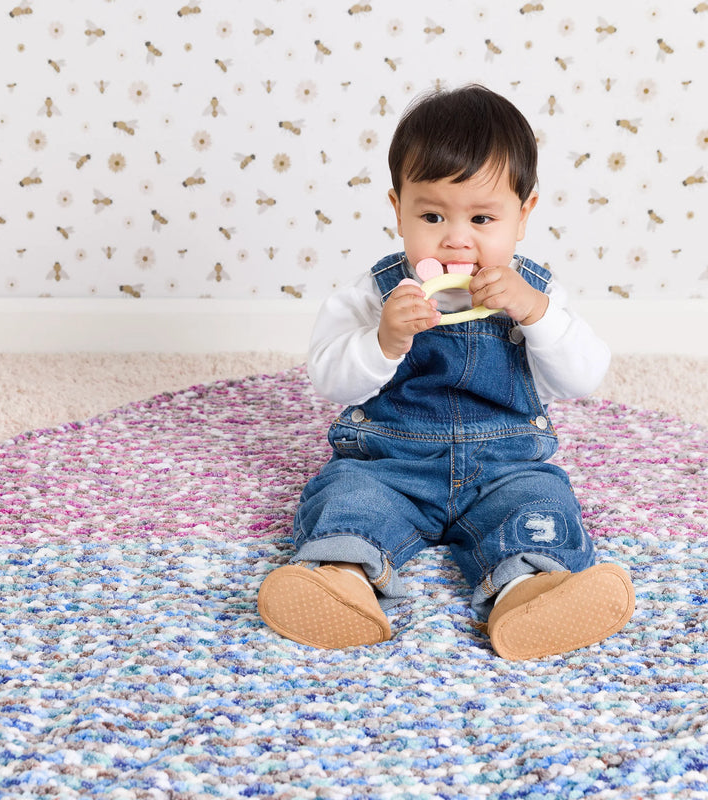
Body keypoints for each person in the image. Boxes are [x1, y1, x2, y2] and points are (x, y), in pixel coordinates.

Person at [257, 84, 635, 659]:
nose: (457, 239)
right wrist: (383, 339)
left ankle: (529, 591)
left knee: (538, 507)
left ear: (524, 214)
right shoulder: (376, 292)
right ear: (397, 209)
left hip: (505, 465)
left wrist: (536, 313)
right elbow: (330, 380)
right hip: (392, 462)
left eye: (483, 217)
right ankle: (340, 580)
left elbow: (582, 377)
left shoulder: (537, 292)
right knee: (349, 500)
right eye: (431, 215)